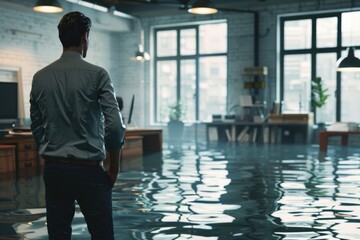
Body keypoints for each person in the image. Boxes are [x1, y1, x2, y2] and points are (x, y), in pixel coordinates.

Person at [30, 11, 126, 240]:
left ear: (61, 37)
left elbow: (36, 126)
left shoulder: (39, 77)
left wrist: (50, 152)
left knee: (58, 235)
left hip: (54, 169)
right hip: (90, 170)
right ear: (85, 37)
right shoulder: (98, 75)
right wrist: (114, 168)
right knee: (102, 235)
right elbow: (114, 126)